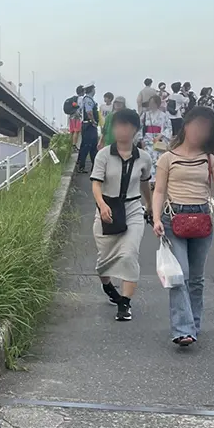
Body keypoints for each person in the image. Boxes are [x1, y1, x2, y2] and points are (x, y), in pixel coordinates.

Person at [152, 106, 214, 347]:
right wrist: (156, 218)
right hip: (173, 219)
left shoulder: (211, 159)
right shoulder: (167, 158)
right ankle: (183, 329)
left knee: (196, 279)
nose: (200, 131)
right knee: (180, 275)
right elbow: (158, 191)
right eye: (197, 125)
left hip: (201, 219)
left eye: (206, 128)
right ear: (186, 125)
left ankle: (192, 325)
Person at [91, 109, 153, 322]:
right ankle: (108, 286)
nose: (122, 129)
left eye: (127, 125)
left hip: (133, 209)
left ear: (135, 129)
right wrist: (101, 205)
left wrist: (150, 206)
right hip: (107, 210)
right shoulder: (104, 155)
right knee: (104, 261)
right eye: (118, 125)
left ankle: (124, 303)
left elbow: (145, 183)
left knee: (129, 254)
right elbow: (96, 184)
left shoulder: (144, 158)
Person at [140, 94, 171, 174]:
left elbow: (168, 128)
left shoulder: (164, 116)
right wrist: (141, 139)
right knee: (147, 160)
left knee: (158, 160)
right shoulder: (145, 114)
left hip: (158, 140)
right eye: (150, 103)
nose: (151, 105)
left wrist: (161, 135)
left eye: (153, 103)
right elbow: (140, 127)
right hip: (147, 139)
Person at [76, 83, 100, 173]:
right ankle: (82, 166)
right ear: (92, 90)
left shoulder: (84, 100)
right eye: (94, 89)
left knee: (91, 146)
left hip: (86, 125)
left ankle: (94, 167)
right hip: (89, 125)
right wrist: (93, 121)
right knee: (88, 146)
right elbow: (89, 112)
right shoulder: (88, 100)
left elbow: (79, 112)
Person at [66, 85, 85, 150]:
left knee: (72, 131)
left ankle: (69, 145)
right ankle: (74, 145)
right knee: (76, 131)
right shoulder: (81, 99)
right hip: (77, 116)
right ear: (82, 91)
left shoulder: (73, 98)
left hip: (71, 116)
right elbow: (81, 107)